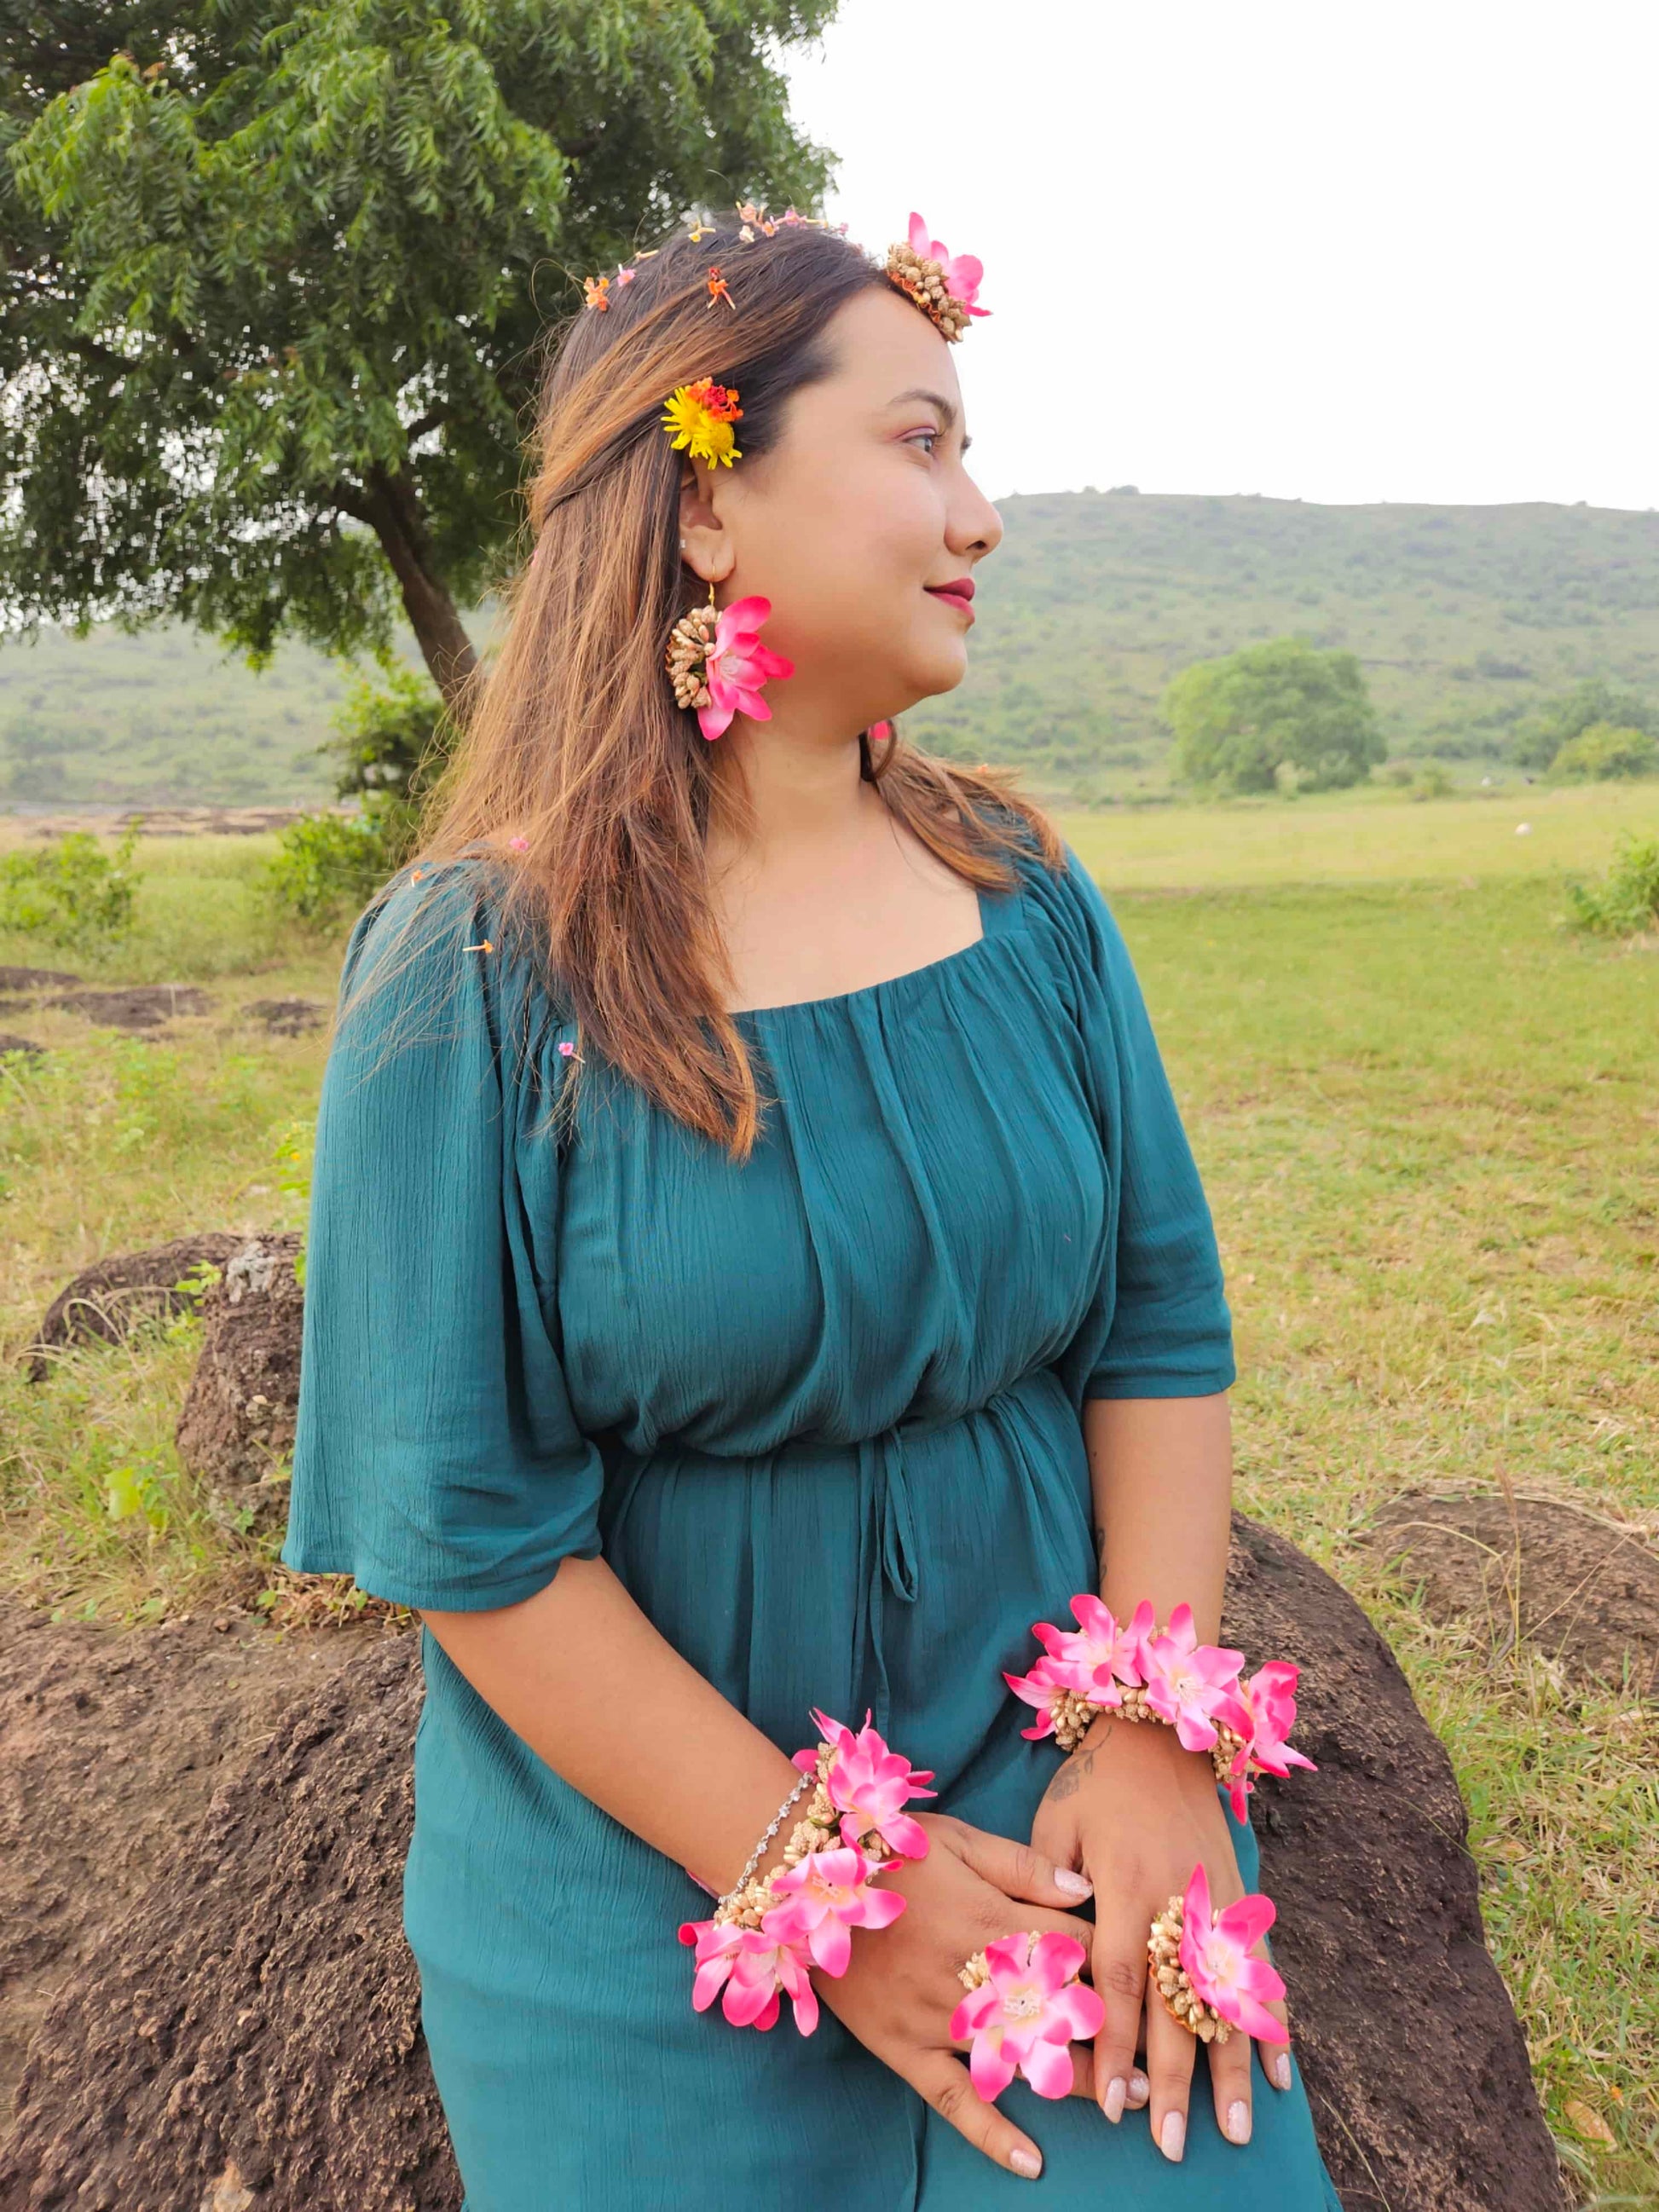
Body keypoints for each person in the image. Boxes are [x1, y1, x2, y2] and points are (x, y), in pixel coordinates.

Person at [281, 205, 1344, 2211]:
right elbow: (462, 1527)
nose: (982, 515)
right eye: (922, 442)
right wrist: (821, 1880)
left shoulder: (1026, 898)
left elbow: (1157, 1323)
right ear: (706, 510)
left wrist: (1147, 1735)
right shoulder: (474, 971)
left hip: (1061, 1812)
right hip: (652, 1891)